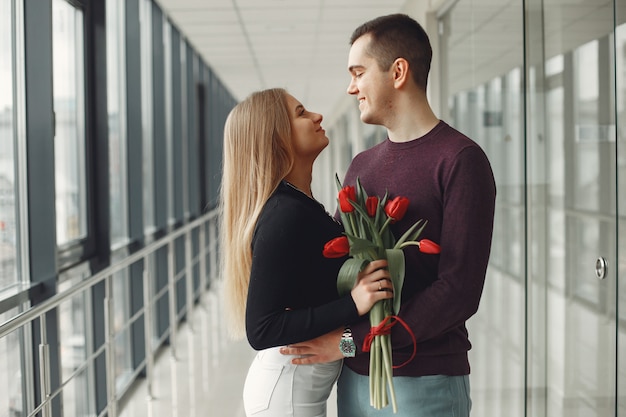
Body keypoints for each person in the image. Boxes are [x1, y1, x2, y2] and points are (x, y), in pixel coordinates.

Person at [279, 14, 496, 417]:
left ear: (398, 71)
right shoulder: (362, 166)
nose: (351, 87)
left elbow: (459, 291)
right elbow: (345, 275)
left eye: (358, 72)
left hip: (425, 384)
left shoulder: (461, 161)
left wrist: (349, 340)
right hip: (354, 382)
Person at [220, 88, 394, 417]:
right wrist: (354, 303)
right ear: (277, 138)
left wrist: (349, 338)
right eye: (301, 113)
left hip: (297, 387)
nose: (317, 116)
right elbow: (261, 329)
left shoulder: (298, 206)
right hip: (287, 392)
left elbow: (319, 309)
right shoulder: (285, 213)